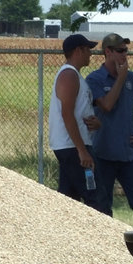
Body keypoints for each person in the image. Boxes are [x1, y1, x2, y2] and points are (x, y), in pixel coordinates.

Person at [86, 32, 133, 228]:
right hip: (103, 154)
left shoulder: (131, 79)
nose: (125, 55)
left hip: (129, 156)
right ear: (108, 52)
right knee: (103, 206)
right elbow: (106, 105)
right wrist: (120, 78)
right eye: (120, 51)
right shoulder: (95, 79)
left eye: (126, 51)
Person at [48, 33, 100, 204]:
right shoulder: (68, 75)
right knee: (96, 198)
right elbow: (67, 114)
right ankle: (102, 230)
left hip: (74, 146)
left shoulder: (75, 76)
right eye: (87, 50)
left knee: (69, 200)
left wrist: (93, 123)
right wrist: (82, 151)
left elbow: (77, 112)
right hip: (72, 147)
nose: (90, 54)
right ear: (78, 50)